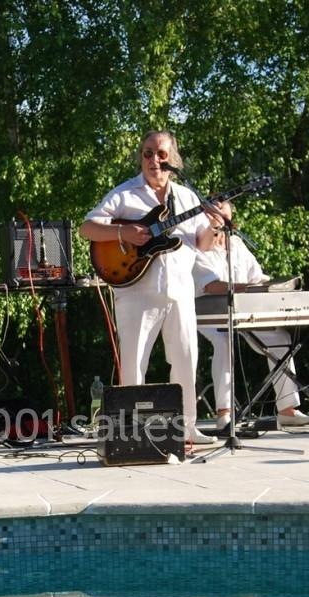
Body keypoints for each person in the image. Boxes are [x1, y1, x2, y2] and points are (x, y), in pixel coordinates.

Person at [80, 131, 221, 447]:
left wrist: (214, 223)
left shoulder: (187, 197)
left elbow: (203, 244)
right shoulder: (125, 194)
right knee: (134, 364)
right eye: (147, 153)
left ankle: (187, 427)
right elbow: (86, 228)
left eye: (161, 154)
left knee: (186, 359)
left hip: (180, 291)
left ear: (173, 160)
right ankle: (131, 433)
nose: (153, 160)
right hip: (136, 292)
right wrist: (124, 232)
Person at [192, 200, 309, 429]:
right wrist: (247, 288)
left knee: (280, 338)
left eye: (223, 217)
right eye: (213, 216)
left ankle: (287, 410)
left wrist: (279, 287)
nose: (218, 221)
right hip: (208, 312)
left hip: (243, 310)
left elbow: (257, 277)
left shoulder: (237, 244)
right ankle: (224, 414)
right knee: (224, 341)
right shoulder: (196, 246)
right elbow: (210, 286)